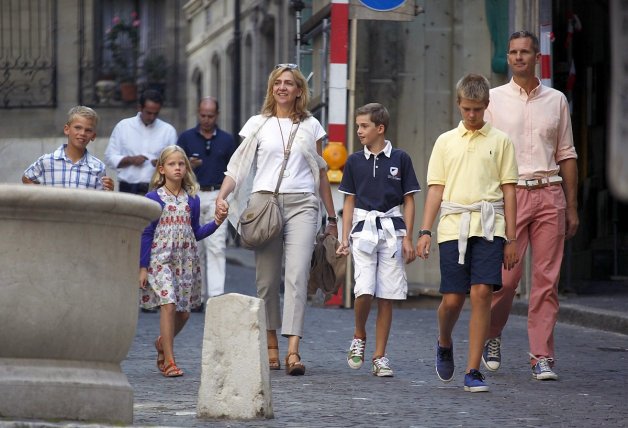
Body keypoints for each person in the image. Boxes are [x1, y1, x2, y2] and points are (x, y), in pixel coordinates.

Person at [215, 63, 337, 376]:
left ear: (299, 90)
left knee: (296, 276)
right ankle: (271, 343)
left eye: (289, 83)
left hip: (302, 205)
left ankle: (293, 351)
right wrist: (222, 195)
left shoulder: (312, 126)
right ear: (272, 88)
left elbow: (320, 172)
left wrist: (333, 216)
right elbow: (237, 167)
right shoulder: (258, 123)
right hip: (264, 203)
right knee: (266, 281)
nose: (282, 87)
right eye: (277, 83)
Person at [482, 30, 579, 381]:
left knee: (546, 281)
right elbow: (485, 154)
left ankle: (541, 355)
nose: (519, 57)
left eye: (525, 51)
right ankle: (492, 333)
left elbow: (567, 154)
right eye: (513, 52)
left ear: (537, 56)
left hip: (550, 192)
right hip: (510, 195)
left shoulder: (556, 101)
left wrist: (572, 206)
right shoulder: (492, 100)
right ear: (508, 58)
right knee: (505, 281)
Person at [416, 74, 518, 392]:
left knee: (482, 294)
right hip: (452, 226)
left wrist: (512, 238)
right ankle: (444, 340)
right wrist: (424, 231)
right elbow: (436, 189)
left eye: (477, 109)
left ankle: (473, 370)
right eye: (467, 109)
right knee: (452, 299)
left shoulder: (501, 141)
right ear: (458, 104)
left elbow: (510, 191)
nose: (472, 116)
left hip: (490, 226)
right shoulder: (445, 142)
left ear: (487, 105)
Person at [336, 103, 419, 377]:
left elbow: (409, 200)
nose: (359, 131)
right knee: (365, 290)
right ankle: (359, 334)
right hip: (362, 230)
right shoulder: (354, 161)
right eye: (358, 126)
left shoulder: (401, 158)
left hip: (392, 232)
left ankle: (380, 356)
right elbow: (349, 201)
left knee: (387, 295)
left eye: (364, 126)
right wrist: (344, 236)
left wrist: (407, 236)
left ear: (379, 128)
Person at [139, 145, 227, 377]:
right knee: (167, 304)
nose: (177, 168)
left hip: (186, 260)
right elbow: (147, 233)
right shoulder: (153, 198)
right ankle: (169, 360)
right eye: (172, 164)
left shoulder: (193, 200)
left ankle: (161, 343)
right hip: (161, 258)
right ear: (162, 169)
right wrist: (143, 266)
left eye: (181, 164)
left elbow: (195, 231)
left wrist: (217, 223)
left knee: (184, 313)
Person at [177, 97, 235, 308]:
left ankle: (216, 297)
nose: (206, 120)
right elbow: (175, 166)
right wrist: (187, 166)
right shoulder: (185, 138)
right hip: (192, 194)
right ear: (197, 113)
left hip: (218, 194)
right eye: (203, 115)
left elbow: (234, 171)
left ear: (217, 115)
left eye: (210, 116)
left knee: (217, 245)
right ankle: (197, 296)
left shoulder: (227, 140)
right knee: (194, 247)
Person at [22, 105, 114, 191]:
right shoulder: (46, 161)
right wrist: (42, 199)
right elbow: (26, 178)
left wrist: (109, 190)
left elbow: (100, 199)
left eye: (88, 130)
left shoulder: (98, 167)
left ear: (93, 136)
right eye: (78, 128)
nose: (82, 133)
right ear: (67, 129)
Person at [105, 89, 177, 195]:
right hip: (128, 188)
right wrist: (130, 160)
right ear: (140, 108)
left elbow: (175, 164)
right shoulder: (123, 126)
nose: (152, 117)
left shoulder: (168, 131)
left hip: (157, 189)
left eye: (155, 113)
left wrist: (161, 163)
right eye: (148, 113)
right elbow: (109, 157)